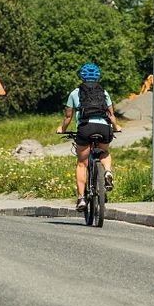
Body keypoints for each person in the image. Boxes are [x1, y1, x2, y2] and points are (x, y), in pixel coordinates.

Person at [57, 63, 118, 212]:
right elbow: (111, 115)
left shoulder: (75, 93)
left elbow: (68, 116)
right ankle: (107, 171)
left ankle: (81, 199)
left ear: (82, 77)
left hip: (85, 128)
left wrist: (62, 129)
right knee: (104, 152)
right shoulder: (104, 92)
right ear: (98, 77)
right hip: (104, 128)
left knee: (82, 163)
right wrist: (117, 127)